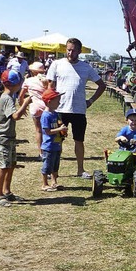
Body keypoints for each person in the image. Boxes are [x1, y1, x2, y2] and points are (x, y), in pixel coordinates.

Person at [46, 37, 106, 179]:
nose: (70, 52)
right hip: (61, 110)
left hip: (79, 111)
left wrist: (90, 101)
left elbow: (102, 85)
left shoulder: (86, 67)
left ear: (79, 51)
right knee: (57, 142)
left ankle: (80, 170)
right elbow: (50, 86)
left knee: (79, 140)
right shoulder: (56, 64)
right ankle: (53, 171)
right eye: (68, 49)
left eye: (73, 50)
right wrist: (49, 105)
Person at [0, 70, 33, 207]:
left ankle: (7, 191)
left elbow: (0, 116)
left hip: (9, 136)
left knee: (11, 165)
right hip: (3, 138)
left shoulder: (8, 96)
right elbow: (15, 117)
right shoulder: (7, 98)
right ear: (16, 84)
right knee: (3, 166)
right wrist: (25, 103)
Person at [39, 87, 68, 192]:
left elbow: (58, 124)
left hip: (57, 144)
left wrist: (62, 131)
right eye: (57, 101)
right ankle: (44, 184)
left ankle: (54, 182)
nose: (59, 102)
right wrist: (59, 129)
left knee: (56, 165)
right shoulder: (45, 116)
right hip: (49, 146)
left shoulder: (55, 114)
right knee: (47, 165)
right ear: (50, 102)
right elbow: (47, 131)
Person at [19, 62, 49, 158]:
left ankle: (41, 153)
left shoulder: (28, 81)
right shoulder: (47, 81)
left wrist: (23, 106)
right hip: (47, 107)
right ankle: (49, 150)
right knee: (48, 130)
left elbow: (21, 96)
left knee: (38, 130)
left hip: (35, 107)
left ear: (32, 71)